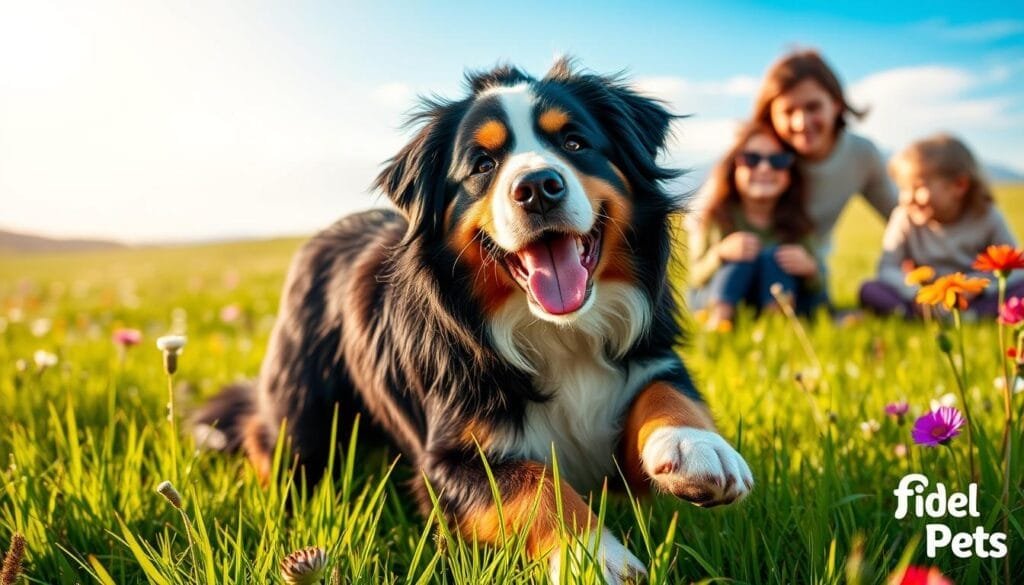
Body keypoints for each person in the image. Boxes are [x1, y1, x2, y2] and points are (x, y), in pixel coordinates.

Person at [689, 49, 898, 308]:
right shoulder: (765, 152)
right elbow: (702, 211)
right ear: (771, 115)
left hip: (802, 271)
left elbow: (899, 216)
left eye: (813, 107)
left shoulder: (862, 155)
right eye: (788, 111)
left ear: (836, 103)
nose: (801, 122)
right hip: (739, 270)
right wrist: (719, 253)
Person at [859, 134, 1023, 316]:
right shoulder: (904, 217)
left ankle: (969, 316)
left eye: (918, 187)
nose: (907, 198)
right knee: (870, 290)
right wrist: (917, 294)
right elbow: (887, 269)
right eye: (903, 188)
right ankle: (935, 316)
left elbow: (1016, 268)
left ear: (959, 185)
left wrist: (978, 287)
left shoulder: (987, 216)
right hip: (923, 300)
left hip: (973, 299)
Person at [689, 121, 823, 326]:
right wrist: (720, 254)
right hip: (724, 297)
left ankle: (777, 324)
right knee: (739, 256)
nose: (764, 168)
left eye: (778, 160)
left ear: (790, 174)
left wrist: (809, 268)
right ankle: (720, 322)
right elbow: (695, 277)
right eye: (751, 159)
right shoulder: (717, 217)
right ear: (734, 168)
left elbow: (819, 283)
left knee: (775, 258)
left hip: (784, 298)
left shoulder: (798, 222)